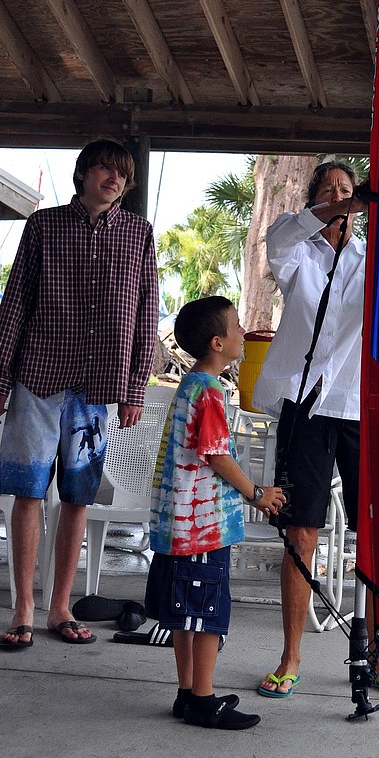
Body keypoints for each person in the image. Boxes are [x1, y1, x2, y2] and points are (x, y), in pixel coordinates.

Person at [252, 160, 379, 699]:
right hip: (306, 404)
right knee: (302, 529)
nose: (341, 198)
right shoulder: (298, 252)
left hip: (360, 405)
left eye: (348, 190)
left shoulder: (370, 257)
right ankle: (291, 655)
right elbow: (279, 237)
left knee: (374, 534)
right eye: (329, 191)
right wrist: (339, 207)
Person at [0, 138, 159, 650]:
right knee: (29, 493)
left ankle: (60, 606)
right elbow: (15, 300)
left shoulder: (139, 233)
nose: (113, 179)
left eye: (122, 174)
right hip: (37, 378)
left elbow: (148, 311)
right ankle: (22, 608)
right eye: (105, 169)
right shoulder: (44, 225)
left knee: (79, 497)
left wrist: (134, 388)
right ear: (83, 173)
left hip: (98, 388)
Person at [146, 296, 287, 730]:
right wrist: (256, 492)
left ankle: (188, 693)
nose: (244, 332)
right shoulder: (207, 391)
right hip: (201, 526)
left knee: (186, 610)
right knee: (207, 614)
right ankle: (203, 700)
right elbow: (216, 455)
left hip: (181, 525)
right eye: (237, 326)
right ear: (217, 342)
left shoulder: (192, 384)